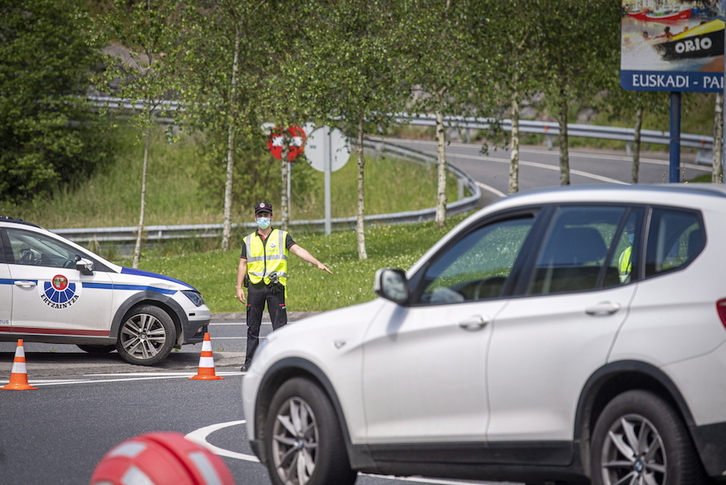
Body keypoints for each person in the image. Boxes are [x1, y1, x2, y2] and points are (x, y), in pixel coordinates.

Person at [236, 201, 333, 371]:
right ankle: (249, 362)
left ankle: (280, 362)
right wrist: (238, 287)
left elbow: (298, 250)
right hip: (255, 288)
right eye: (260, 215)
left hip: (275, 287)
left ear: (272, 217)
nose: (263, 218)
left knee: (279, 329)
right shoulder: (248, 240)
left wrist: (317, 262)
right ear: (255, 218)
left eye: (266, 215)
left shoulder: (282, 236)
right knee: (253, 327)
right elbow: (243, 264)